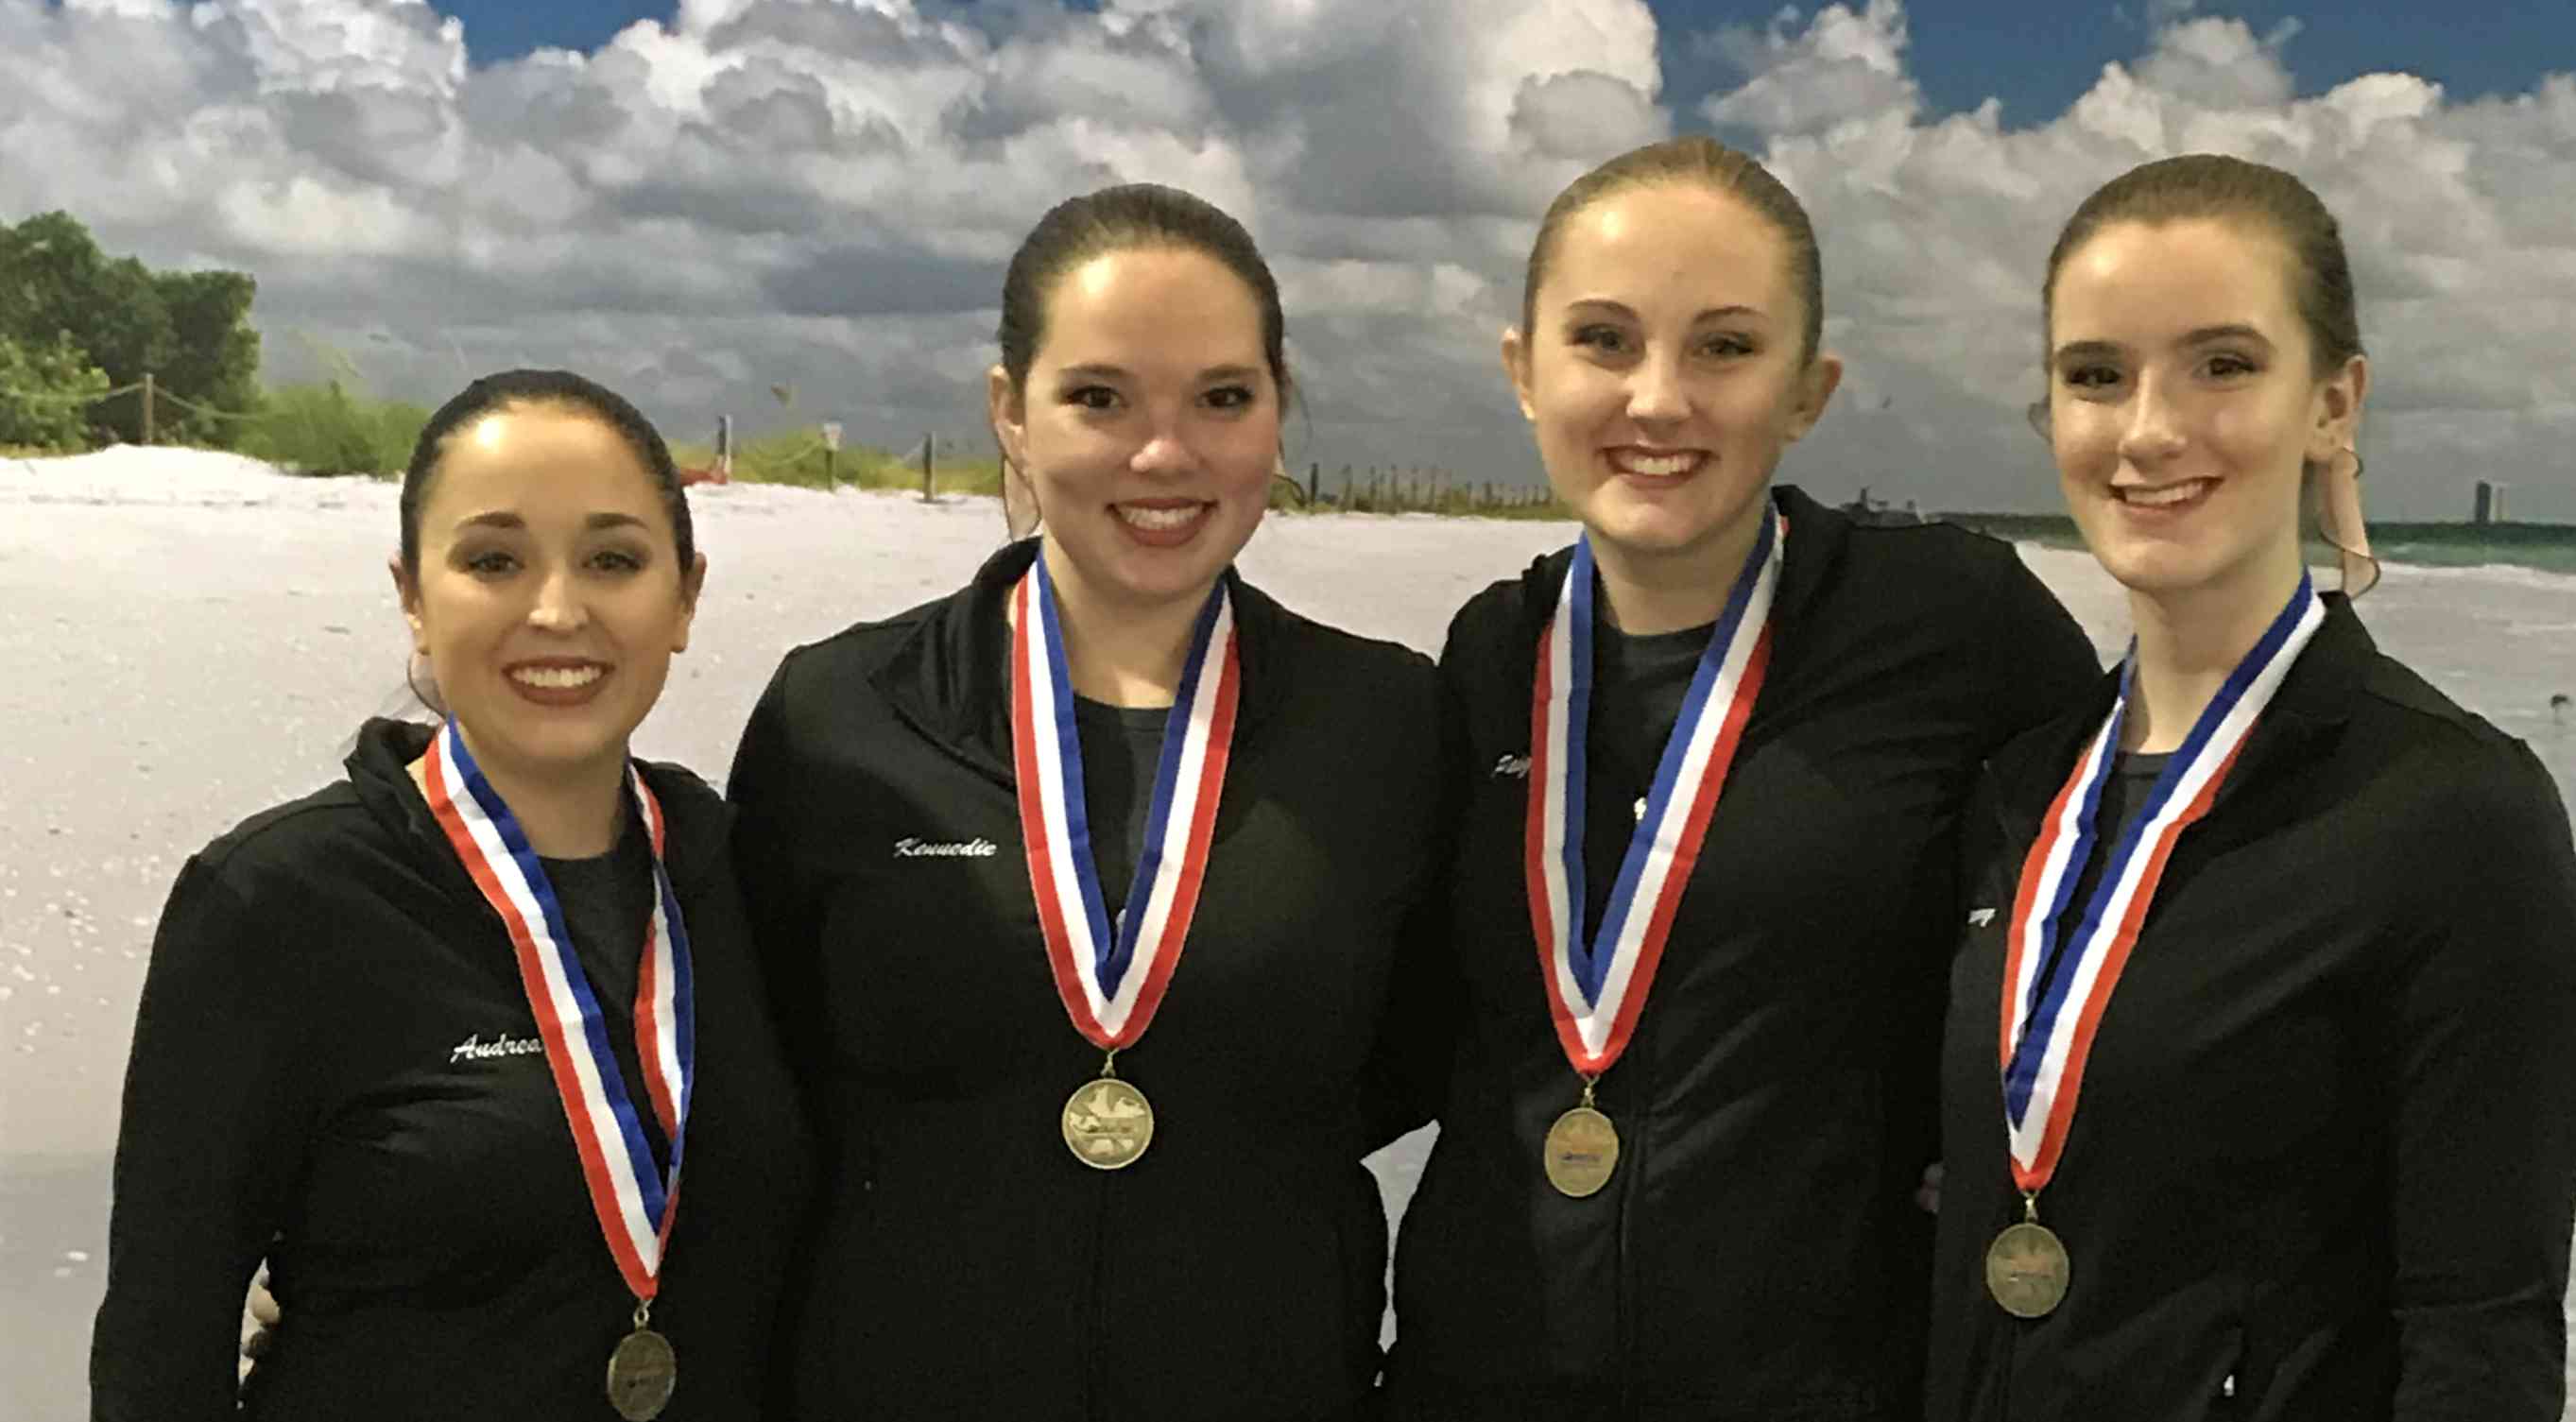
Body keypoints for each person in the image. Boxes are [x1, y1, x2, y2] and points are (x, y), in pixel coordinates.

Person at [1383, 137, 2101, 1420]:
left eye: (1724, 347)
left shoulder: (1956, 622)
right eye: (1603, 339)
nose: (1659, 400)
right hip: (1471, 1381)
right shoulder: (1492, 651)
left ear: (1809, 389)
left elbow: (2128, 916)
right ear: (1523, 372)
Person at [727, 184, 1451, 1420]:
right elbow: (741, 1080)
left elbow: (1439, 1045)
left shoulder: (1389, 723)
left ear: (1277, 414)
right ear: (1011, 411)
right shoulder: (837, 713)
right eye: (1099, 397)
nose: (1164, 454)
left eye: (1222, 397)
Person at [1927, 154, 2576, 1421]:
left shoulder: (2455, 814)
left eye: (2223, 365)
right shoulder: (2019, 790)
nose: (2148, 429)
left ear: (2334, 404)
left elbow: (2482, 1340)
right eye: (2096, 375)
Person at [91, 370, 812, 1420]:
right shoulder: (278, 901)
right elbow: (163, 1349)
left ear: (686, 595)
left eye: (613, 559)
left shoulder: (733, 867)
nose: (557, 608)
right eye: (493, 560)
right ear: (415, 598)